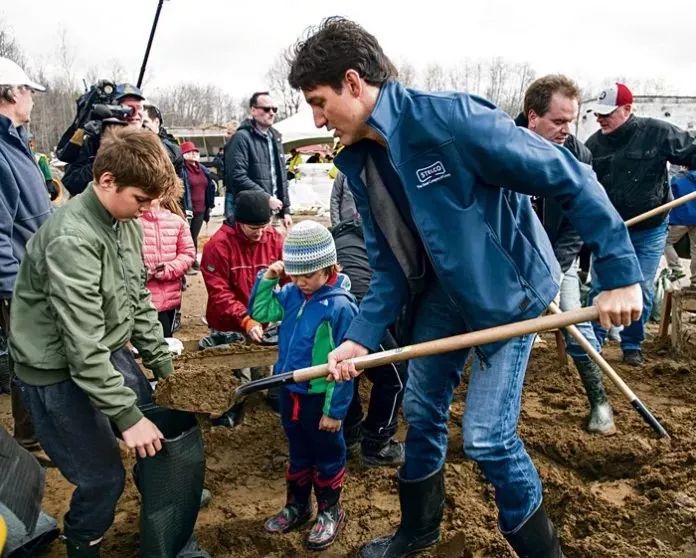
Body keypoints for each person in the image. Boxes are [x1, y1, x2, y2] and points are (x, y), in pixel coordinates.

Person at [288, 17, 643, 558]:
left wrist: (619, 273)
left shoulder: (451, 120)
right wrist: (359, 338)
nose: (317, 118)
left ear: (354, 83)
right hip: (440, 297)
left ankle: (544, 552)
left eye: (319, 100)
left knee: (487, 437)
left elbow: (570, 177)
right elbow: (387, 268)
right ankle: (419, 528)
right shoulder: (360, 163)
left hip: (506, 295)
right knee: (423, 414)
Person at [8, 127, 204, 557]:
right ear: (107, 180)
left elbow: (137, 298)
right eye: (142, 199)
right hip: (54, 372)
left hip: (106, 351)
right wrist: (125, 416)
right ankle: (83, 540)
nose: (149, 210)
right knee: (102, 478)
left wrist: (162, 365)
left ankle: (162, 501)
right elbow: (81, 345)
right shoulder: (71, 240)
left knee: (160, 431)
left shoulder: (125, 221)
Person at [249, 220, 358, 550]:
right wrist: (267, 279)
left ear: (327, 268)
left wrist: (335, 411)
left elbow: (348, 368)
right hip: (290, 392)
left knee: (327, 454)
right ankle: (297, 506)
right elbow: (260, 310)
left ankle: (329, 511)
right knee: (298, 453)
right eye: (294, 275)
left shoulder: (340, 306)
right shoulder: (293, 294)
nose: (300, 282)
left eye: (307, 275)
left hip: (320, 397)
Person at [516, 75, 614, 435]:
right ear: (532, 117)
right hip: (509, 259)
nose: (566, 130)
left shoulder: (578, 154)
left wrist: (554, 270)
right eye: (558, 121)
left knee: (575, 323)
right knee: (501, 332)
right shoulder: (500, 146)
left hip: (558, 256)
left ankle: (600, 401)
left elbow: (578, 222)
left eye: (570, 121)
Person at [585, 82, 696, 365]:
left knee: (640, 287)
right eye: (598, 113)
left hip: (650, 227)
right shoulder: (593, 146)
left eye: (607, 113)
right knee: (603, 286)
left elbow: (691, 151)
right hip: (610, 229)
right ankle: (594, 344)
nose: (600, 119)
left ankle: (632, 343)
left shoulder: (657, 133)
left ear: (627, 109)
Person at [0, 56, 53, 463]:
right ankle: (30, 441)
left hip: (34, 273)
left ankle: (37, 435)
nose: (32, 99)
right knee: (30, 361)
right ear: (10, 93)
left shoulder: (16, 140)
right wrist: (17, 290)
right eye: (28, 91)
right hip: (20, 281)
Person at [200, 190, 285, 424]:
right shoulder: (217, 246)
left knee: (264, 368)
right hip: (228, 323)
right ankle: (231, 408)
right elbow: (219, 293)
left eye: (264, 227)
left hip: (265, 322)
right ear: (239, 222)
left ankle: (265, 403)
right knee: (233, 375)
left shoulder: (275, 240)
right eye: (253, 229)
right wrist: (245, 319)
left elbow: (289, 280)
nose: (259, 234)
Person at [332, 217, 406, 467]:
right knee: (395, 376)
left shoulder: (339, 241)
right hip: (362, 312)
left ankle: (350, 432)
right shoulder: (379, 241)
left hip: (332, 312)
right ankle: (376, 443)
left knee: (343, 371)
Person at [62, 83, 145, 197]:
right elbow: (71, 183)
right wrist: (106, 161)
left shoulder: (152, 141)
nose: (135, 113)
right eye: (128, 108)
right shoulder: (93, 141)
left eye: (139, 107)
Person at [225, 91, 292, 229]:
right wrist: (266, 198)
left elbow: (281, 176)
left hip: (274, 211)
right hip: (251, 214)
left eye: (274, 109)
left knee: (274, 250)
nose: (272, 113)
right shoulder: (241, 138)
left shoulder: (275, 138)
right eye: (267, 109)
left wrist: (286, 210)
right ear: (253, 111)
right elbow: (237, 177)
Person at [141, 181, 195, 337]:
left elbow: (188, 253)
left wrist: (169, 269)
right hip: (143, 299)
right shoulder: (132, 223)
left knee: (165, 339)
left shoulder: (177, 222)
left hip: (169, 298)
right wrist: (143, 272)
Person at [180, 141, 216, 272]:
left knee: (193, 236)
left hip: (201, 208)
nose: (194, 153)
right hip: (187, 209)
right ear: (183, 154)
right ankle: (187, 263)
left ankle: (193, 259)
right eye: (189, 151)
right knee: (186, 237)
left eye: (195, 151)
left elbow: (210, 187)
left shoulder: (203, 169)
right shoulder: (181, 170)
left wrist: (209, 204)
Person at [664, 167, 696, 285]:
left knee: (664, 241)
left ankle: (676, 269)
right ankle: (695, 280)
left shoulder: (677, 179)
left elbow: (670, 198)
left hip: (681, 219)